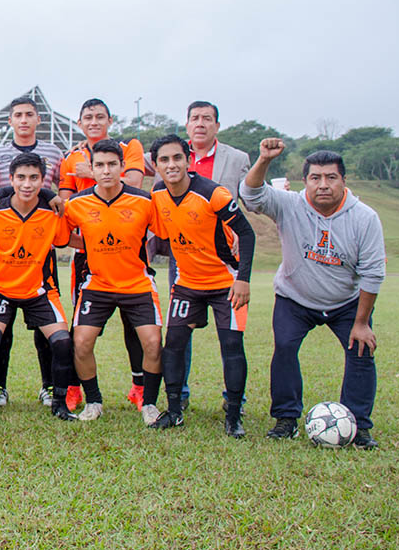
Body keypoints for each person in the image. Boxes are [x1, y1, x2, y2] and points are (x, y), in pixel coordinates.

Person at [241, 139, 385, 449]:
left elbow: (373, 273)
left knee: (361, 352)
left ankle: (358, 427)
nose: (323, 185)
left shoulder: (365, 218)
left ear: (343, 181)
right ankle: (286, 419)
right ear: (305, 181)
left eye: (331, 178)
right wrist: (264, 159)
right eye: (315, 178)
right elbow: (250, 194)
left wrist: (361, 322)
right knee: (285, 348)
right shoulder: (290, 204)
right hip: (295, 298)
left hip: (346, 302)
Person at [148, 134, 255, 437]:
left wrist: (244, 279)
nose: (172, 165)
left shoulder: (213, 194)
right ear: (156, 165)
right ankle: (174, 411)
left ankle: (233, 416)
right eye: (164, 160)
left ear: (189, 160)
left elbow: (246, 234)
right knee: (174, 346)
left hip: (225, 283)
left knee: (231, 346)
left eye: (177, 158)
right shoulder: (157, 195)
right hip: (186, 283)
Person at [62, 139, 163, 426]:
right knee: (80, 342)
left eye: (112, 165)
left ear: (122, 167)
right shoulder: (78, 203)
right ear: (92, 169)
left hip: (137, 284)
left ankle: (150, 404)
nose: (106, 171)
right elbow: (60, 233)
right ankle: (94, 401)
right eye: (100, 165)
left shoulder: (144, 202)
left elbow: (167, 229)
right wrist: (85, 243)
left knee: (153, 343)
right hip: (98, 284)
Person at [59, 98, 146, 411]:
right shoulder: (71, 158)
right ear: (80, 123)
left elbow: (134, 182)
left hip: (127, 247)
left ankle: (139, 387)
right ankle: (73, 388)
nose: (94, 122)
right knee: (80, 326)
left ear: (110, 120)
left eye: (100, 116)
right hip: (89, 251)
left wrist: (94, 172)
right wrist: (84, 242)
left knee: (133, 320)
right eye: (88, 118)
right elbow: (65, 203)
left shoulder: (130, 146)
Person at [0, 153, 75, 419]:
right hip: (0, 290)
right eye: (21, 177)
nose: (27, 184)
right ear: (11, 179)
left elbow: (66, 240)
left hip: (39, 291)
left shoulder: (52, 212)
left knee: (63, 342)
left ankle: (59, 403)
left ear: (43, 181)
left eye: (34, 178)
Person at [0, 96, 63, 407]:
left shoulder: (54, 153)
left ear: (38, 119)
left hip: (41, 237)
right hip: (7, 237)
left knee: (43, 320)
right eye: (17, 114)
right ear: (10, 120)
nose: (23, 120)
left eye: (29, 114)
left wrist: (52, 197)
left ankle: (49, 386)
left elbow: (59, 191)